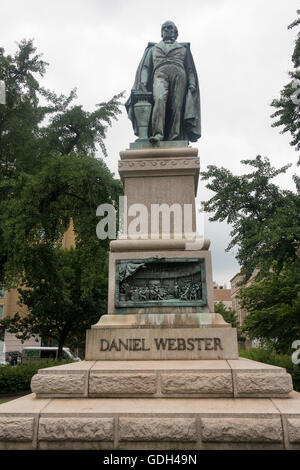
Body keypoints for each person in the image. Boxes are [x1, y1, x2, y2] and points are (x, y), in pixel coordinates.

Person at [126, 21, 201, 143]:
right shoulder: (153, 49)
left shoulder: (183, 49)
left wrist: (192, 83)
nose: (167, 30)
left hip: (179, 75)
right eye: (164, 28)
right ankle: (158, 134)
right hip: (160, 74)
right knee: (159, 99)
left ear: (176, 33)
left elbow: (190, 69)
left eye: (170, 28)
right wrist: (143, 83)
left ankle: (175, 135)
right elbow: (145, 67)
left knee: (177, 106)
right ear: (161, 33)